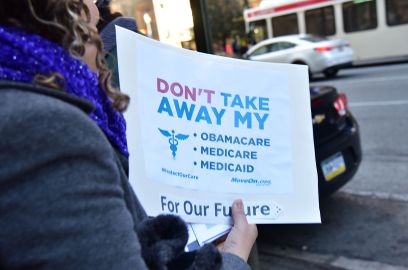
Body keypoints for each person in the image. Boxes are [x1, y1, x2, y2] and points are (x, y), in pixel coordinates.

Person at [0, 0, 257, 269]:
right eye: (89, 22)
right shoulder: (47, 128)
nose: (97, 14)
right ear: (50, 17)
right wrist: (233, 258)